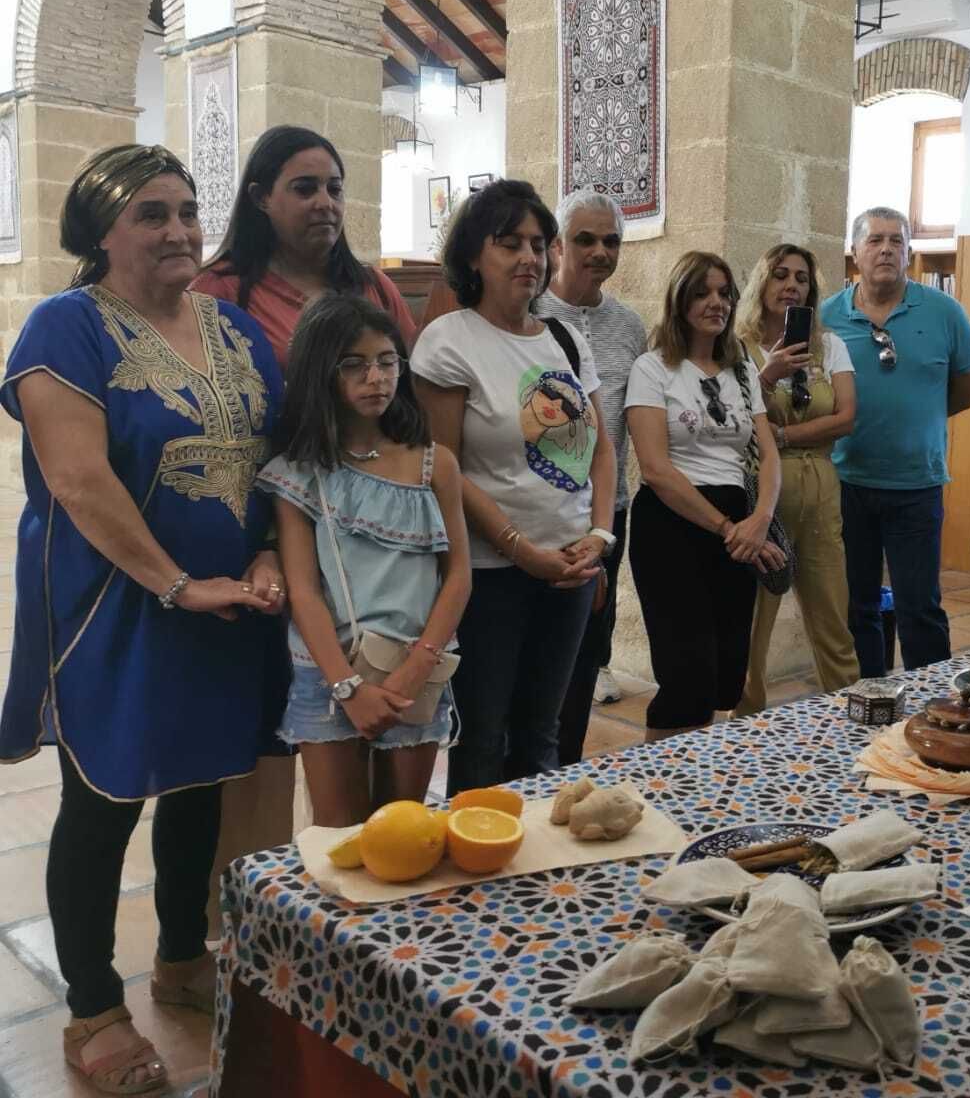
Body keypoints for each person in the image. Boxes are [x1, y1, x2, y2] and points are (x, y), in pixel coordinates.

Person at [0, 145, 287, 1093]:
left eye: (187, 210)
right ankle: (91, 1010)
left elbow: (280, 462)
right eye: (151, 214)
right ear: (102, 233)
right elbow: (79, 480)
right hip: (111, 607)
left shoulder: (237, 330)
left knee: (199, 785)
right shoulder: (63, 328)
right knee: (105, 799)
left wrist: (264, 555)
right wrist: (174, 583)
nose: (179, 230)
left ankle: (180, 960)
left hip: (225, 604)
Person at [411, 180, 617, 790]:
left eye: (537, 243)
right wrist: (523, 550)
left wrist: (600, 535)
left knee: (541, 730)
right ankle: (477, 874)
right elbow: (441, 468)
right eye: (509, 244)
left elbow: (600, 449)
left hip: (572, 567)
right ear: (475, 255)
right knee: (483, 736)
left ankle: (534, 869)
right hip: (491, 573)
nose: (529, 257)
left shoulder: (564, 339)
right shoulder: (449, 341)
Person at [257, 297, 471, 826]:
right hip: (329, 674)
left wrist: (417, 668)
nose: (375, 377)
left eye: (387, 361)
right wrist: (347, 687)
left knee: (402, 831)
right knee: (341, 844)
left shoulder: (433, 464)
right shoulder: (300, 473)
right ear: (320, 372)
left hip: (416, 668)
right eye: (354, 364)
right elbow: (303, 591)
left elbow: (458, 575)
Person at [625, 251, 785, 739]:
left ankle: (695, 783)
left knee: (723, 678)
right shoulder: (653, 369)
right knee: (686, 675)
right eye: (702, 292)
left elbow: (769, 454)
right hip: (672, 526)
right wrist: (729, 528)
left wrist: (759, 520)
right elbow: (655, 468)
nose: (716, 302)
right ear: (680, 299)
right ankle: (657, 788)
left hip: (738, 524)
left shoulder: (740, 372)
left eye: (724, 293)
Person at [821, 207, 970, 675]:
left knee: (920, 607)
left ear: (909, 252)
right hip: (846, 482)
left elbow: (963, 393)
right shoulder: (827, 317)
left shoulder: (946, 313)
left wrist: (913, 419)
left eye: (896, 240)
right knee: (857, 606)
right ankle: (868, 702)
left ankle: (934, 712)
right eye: (874, 241)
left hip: (916, 484)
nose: (886, 249)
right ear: (855, 252)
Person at [537, 191, 648, 761]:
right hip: (535, 511)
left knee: (586, 650)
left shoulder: (629, 326)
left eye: (611, 242)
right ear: (556, 245)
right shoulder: (528, 314)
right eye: (586, 239)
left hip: (607, 512)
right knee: (534, 658)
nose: (600, 252)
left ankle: (568, 766)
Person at [734, 244, 860, 714]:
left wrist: (782, 434)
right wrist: (767, 377)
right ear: (761, 285)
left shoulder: (829, 346)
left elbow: (846, 417)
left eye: (802, 278)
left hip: (822, 486)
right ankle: (746, 726)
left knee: (832, 613)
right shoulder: (738, 348)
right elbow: (736, 418)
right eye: (780, 275)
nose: (791, 285)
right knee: (753, 624)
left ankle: (850, 717)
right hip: (763, 491)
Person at [192, 124, 417, 368]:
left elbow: (413, 385)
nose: (325, 203)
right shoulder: (219, 291)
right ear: (260, 197)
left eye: (334, 189)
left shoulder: (375, 288)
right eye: (305, 189)